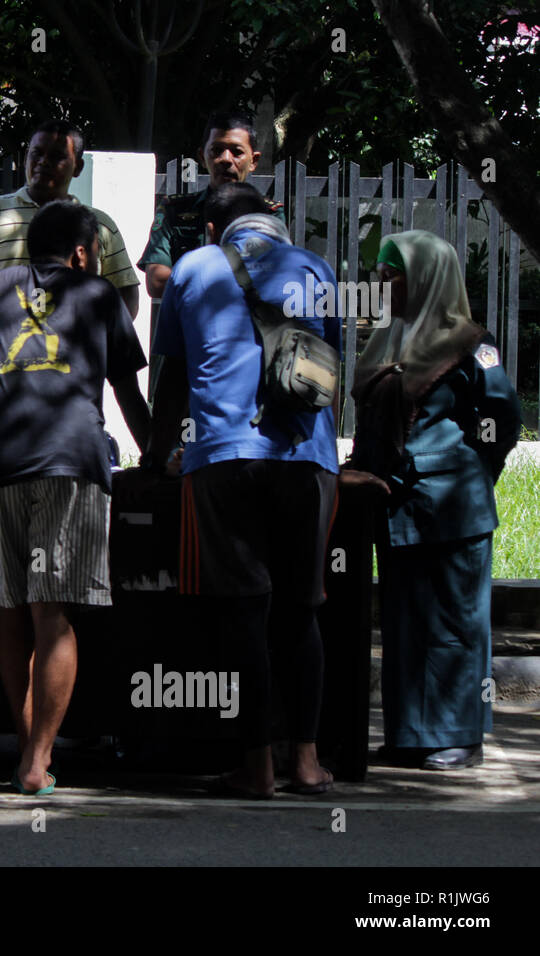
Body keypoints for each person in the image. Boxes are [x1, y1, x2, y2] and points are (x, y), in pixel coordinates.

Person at [0, 200, 151, 795]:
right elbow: (127, 391)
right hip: (72, 466)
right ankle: (38, 761)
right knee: (54, 612)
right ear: (83, 252)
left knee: (11, 608)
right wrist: (157, 456)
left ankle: (24, 745)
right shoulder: (98, 297)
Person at [146, 181, 340, 798]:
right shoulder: (315, 267)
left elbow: (175, 375)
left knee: (244, 614)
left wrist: (157, 456)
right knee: (300, 611)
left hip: (224, 457)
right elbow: (328, 365)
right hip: (307, 456)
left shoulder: (193, 268)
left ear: (211, 230)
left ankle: (256, 767)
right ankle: (306, 762)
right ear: (272, 218)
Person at [345, 231, 521, 771]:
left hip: (450, 509)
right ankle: (412, 733)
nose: (383, 282)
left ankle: (460, 735)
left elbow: (502, 421)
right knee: (405, 622)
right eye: (380, 271)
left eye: (394, 272)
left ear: (427, 276)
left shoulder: (470, 343)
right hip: (396, 505)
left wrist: (465, 474)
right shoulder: (388, 340)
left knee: (454, 622)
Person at [0, 119, 141, 348]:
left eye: (57, 156)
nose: (43, 162)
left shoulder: (100, 226)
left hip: (71, 371)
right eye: (36, 153)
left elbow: (126, 294)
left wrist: (95, 349)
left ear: (77, 167)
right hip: (3, 366)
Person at [137, 111, 284, 300]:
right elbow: (157, 282)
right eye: (216, 150)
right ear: (201, 156)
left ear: (253, 160)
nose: (226, 159)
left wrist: (194, 280)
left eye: (237, 152)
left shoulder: (269, 214)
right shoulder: (174, 210)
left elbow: (276, 279)